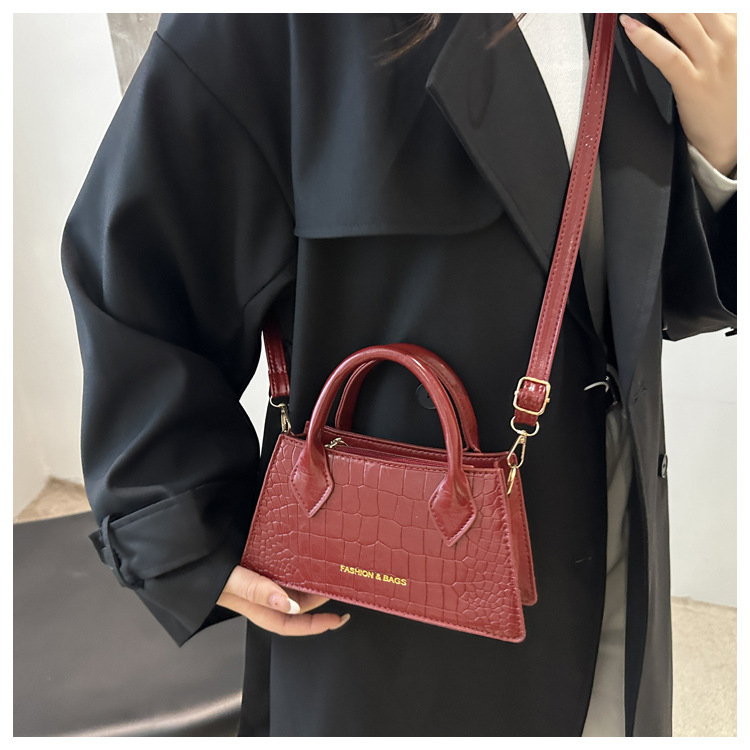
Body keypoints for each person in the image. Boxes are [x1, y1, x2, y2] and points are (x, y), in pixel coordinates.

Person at [61, 13, 736, 737]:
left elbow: (652, 299)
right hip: (389, 599)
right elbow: (139, 267)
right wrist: (179, 530)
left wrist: (720, 152)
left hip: (619, 537)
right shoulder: (267, 26)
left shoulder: (639, 22)